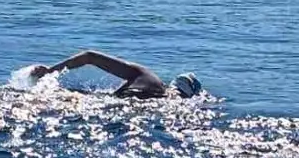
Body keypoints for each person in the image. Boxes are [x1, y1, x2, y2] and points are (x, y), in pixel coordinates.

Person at [28, 49, 202, 99]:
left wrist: (50, 71)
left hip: (118, 102)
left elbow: (90, 56)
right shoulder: (173, 101)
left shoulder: (147, 76)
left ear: (173, 83)